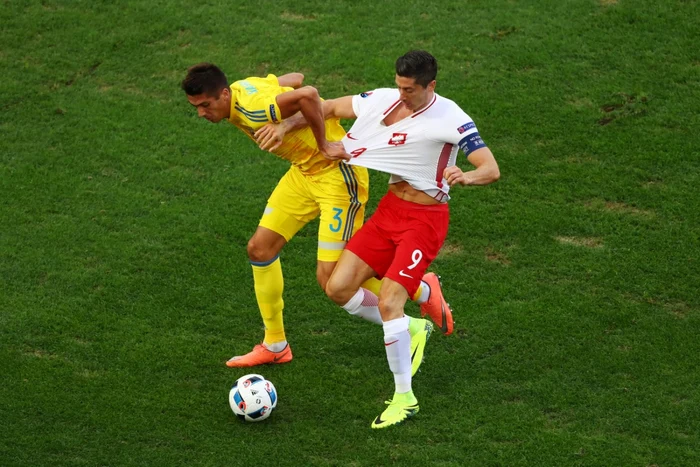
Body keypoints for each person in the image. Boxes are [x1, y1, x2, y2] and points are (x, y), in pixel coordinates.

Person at [258, 50, 499, 429]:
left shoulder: (451, 118)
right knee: (337, 287)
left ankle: (405, 398)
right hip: (389, 212)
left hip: (425, 220)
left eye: (411, 89)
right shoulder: (384, 99)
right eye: (400, 85)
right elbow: (329, 106)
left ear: (431, 86)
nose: (402, 94)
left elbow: (490, 167)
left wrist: (467, 176)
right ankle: (418, 315)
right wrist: (288, 127)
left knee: (389, 301)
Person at [181, 64, 450, 372]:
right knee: (260, 248)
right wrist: (289, 114)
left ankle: (413, 310)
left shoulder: (254, 107)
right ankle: (276, 345)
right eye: (196, 107)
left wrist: (310, 138)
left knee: (333, 279)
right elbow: (295, 79)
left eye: (206, 105)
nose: (202, 113)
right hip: (304, 174)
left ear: (225, 94)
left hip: (337, 178)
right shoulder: (245, 87)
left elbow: (307, 94)